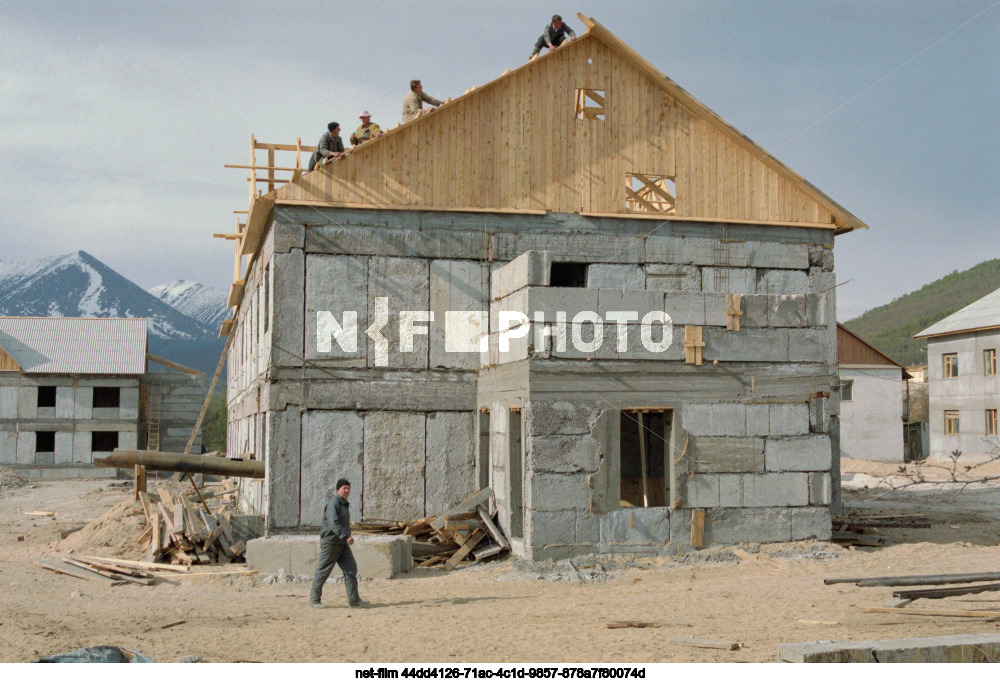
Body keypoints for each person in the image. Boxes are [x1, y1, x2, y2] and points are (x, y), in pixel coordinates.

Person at [309, 479, 366, 608]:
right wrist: (345, 535)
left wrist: (345, 537)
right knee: (323, 571)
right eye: (344, 488)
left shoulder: (344, 504)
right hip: (331, 543)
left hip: (342, 544)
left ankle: (354, 601)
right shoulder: (333, 503)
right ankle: (314, 601)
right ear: (338, 489)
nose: (346, 491)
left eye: (348, 488)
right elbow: (333, 523)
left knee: (351, 568)